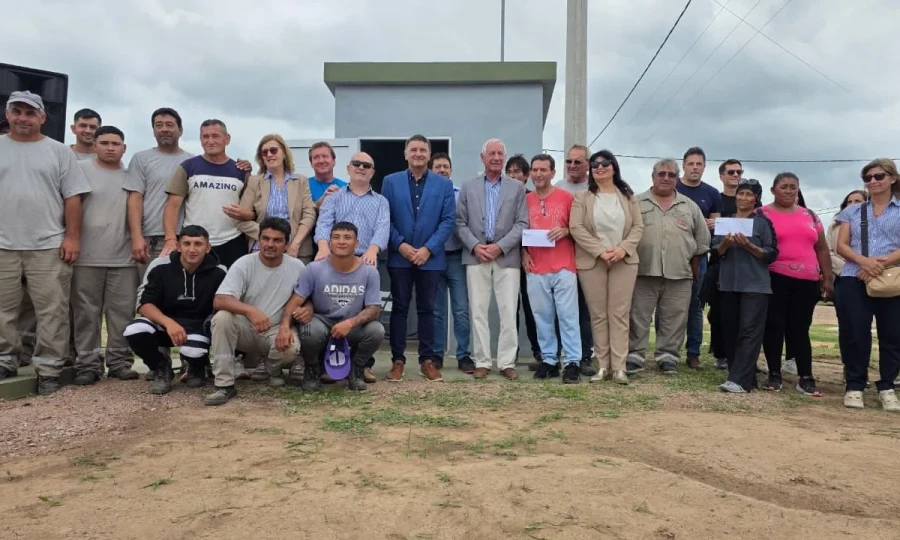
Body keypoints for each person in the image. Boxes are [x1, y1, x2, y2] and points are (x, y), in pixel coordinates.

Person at [0, 91, 91, 394]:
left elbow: (73, 198)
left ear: (42, 117)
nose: (23, 118)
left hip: (49, 244)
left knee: (52, 310)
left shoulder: (58, 152)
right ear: (8, 114)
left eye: (30, 112)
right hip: (3, 245)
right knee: (3, 309)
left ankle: (50, 368)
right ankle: (5, 359)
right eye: (17, 111)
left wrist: (72, 237)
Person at [205, 218, 305, 405]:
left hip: (276, 329)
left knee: (291, 349)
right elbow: (220, 300)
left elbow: (308, 300)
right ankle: (224, 385)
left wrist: (291, 320)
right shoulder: (244, 263)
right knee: (222, 318)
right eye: (265, 238)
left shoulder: (297, 267)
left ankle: (271, 370)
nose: (270, 244)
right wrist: (250, 311)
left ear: (287, 244)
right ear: (258, 239)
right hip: (246, 328)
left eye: (277, 240)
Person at [70, 126, 141, 385]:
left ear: (124, 147)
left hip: (123, 258)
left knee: (122, 314)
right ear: (95, 145)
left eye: (116, 143)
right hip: (86, 256)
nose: (110, 148)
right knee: (86, 314)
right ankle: (87, 365)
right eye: (105, 143)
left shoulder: (131, 177)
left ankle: (120, 362)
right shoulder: (80, 171)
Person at [382, 135, 456, 382]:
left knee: (428, 310)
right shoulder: (390, 182)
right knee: (400, 309)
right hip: (399, 256)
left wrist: (428, 249)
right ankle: (397, 361)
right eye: (413, 149)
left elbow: (447, 221)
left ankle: (428, 360)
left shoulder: (443, 185)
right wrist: (400, 245)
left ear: (429, 154)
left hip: (430, 259)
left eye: (422, 150)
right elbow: (386, 218)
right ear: (405, 154)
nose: (418, 154)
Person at [281, 222, 385, 392]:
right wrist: (284, 326)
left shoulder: (369, 272)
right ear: (329, 242)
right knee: (309, 330)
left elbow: (373, 309)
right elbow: (295, 301)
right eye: (336, 237)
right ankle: (312, 369)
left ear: (357, 243)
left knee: (377, 331)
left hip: (352, 326)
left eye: (347, 237)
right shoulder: (314, 269)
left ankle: (356, 369)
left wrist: (350, 323)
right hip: (323, 322)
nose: (341, 241)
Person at [627, 159, 709, 375]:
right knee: (638, 315)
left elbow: (701, 243)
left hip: (679, 273)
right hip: (642, 271)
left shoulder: (689, 206)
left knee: (675, 317)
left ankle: (668, 356)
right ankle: (635, 355)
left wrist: (694, 271)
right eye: (661, 174)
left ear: (676, 178)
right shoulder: (635, 203)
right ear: (653, 176)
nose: (666, 178)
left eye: (671, 175)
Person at [123, 226, 227, 394]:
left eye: (198, 244)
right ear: (178, 246)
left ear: (208, 248)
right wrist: (168, 323)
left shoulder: (219, 271)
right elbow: (144, 304)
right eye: (187, 244)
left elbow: (222, 305)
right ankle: (161, 368)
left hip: (197, 326)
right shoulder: (160, 266)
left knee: (194, 350)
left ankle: (196, 366)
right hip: (164, 323)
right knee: (134, 330)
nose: (192, 249)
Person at [455, 138, 528, 380]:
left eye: (500, 153)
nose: (496, 157)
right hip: (476, 256)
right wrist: (476, 246)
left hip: (506, 257)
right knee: (478, 311)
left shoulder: (517, 188)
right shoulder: (468, 186)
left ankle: (506, 362)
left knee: (508, 310)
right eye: (491, 153)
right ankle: (483, 361)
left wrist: (500, 246)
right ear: (482, 157)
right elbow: (459, 222)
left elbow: (522, 223)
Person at [570, 151, 643, 385]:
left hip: (624, 261)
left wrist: (622, 249)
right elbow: (576, 228)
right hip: (593, 261)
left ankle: (619, 367)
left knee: (619, 313)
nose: (600, 167)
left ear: (614, 167)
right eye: (595, 165)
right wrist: (601, 251)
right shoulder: (582, 197)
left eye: (605, 163)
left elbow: (638, 227)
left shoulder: (628, 196)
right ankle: (603, 366)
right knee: (598, 315)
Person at [834, 159, 900, 411]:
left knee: (892, 334)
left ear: (892, 178)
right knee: (855, 332)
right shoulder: (853, 211)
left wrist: (879, 265)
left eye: (879, 176)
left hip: (892, 277)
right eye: (868, 177)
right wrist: (864, 262)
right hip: (854, 276)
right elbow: (841, 245)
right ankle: (855, 385)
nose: (873, 181)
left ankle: (887, 386)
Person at [759, 173, 833, 395]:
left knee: (800, 329)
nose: (789, 191)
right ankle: (774, 374)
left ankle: (806, 376)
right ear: (773, 190)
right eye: (784, 187)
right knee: (774, 327)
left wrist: (827, 277)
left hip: (807, 281)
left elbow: (821, 248)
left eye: (793, 187)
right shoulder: (762, 214)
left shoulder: (809, 215)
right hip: (775, 278)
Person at [711, 179, 778, 393]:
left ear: (756, 199)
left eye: (749, 194)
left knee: (749, 331)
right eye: (740, 194)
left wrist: (749, 245)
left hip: (755, 286)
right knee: (730, 330)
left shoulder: (762, 223)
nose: (743, 198)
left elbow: (770, 254)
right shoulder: (726, 221)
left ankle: (740, 381)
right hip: (729, 284)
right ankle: (740, 375)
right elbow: (715, 253)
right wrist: (726, 244)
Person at [521, 154, 582, 383]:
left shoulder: (567, 198)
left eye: (543, 170)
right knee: (542, 316)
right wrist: (523, 253)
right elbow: (520, 230)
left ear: (553, 173)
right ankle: (549, 360)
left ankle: (572, 361)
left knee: (568, 315)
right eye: (534, 170)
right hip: (536, 266)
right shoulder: (525, 200)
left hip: (564, 264)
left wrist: (566, 231)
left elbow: (579, 227)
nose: (538, 174)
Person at [161, 119, 251, 269]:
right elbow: (172, 206)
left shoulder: (241, 171)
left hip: (232, 241)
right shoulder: (188, 167)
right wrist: (170, 238)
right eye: (205, 137)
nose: (210, 141)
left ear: (227, 139)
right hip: (195, 243)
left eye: (215, 136)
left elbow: (251, 209)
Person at [125, 108, 194, 277]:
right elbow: (135, 198)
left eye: (169, 125)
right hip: (151, 239)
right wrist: (137, 237)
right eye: (159, 125)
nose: (164, 129)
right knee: (150, 292)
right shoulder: (141, 159)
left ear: (180, 130)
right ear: (154, 130)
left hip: (186, 239)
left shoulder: (192, 161)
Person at [232, 134, 316, 262]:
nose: (269, 155)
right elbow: (241, 219)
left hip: (296, 250)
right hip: (262, 250)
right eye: (264, 152)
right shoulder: (254, 182)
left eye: (273, 150)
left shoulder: (301, 181)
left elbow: (309, 214)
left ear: (284, 153)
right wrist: (269, 237)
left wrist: (295, 243)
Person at [676, 147, 723, 369]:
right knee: (669, 306)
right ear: (683, 165)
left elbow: (716, 225)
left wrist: (713, 224)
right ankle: (668, 353)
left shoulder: (712, 193)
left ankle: (693, 352)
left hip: (699, 256)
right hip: (673, 254)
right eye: (691, 164)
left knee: (695, 306)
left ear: (704, 167)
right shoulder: (671, 185)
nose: (695, 168)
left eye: (699, 164)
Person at [552, 144, 596, 374]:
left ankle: (585, 356)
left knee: (584, 309)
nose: (572, 166)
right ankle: (560, 355)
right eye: (569, 161)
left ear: (587, 164)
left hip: (588, 258)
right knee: (561, 310)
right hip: (560, 259)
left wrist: (571, 231)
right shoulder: (558, 188)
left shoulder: (595, 188)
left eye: (578, 162)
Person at [430, 153, 474, 373]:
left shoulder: (461, 195)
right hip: (434, 258)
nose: (442, 170)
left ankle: (463, 355)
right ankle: (437, 354)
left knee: (461, 309)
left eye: (446, 166)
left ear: (451, 170)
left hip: (457, 257)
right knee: (437, 311)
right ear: (431, 170)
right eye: (437, 166)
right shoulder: (427, 194)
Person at [505, 154, 542, 367]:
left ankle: (539, 350)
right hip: (508, 259)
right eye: (509, 172)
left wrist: (525, 251)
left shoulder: (532, 198)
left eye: (517, 171)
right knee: (510, 308)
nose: (513, 175)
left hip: (531, 261)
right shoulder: (502, 198)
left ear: (526, 176)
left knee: (532, 307)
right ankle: (512, 352)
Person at [707, 159, 743, 369]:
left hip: (745, 262)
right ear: (721, 176)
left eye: (739, 171)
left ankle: (741, 354)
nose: (735, 175)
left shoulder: (751, 202)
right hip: (720, 260)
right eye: (731, 172)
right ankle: (720, 353)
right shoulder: (716, 200)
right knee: (718, 310)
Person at [307, 142, 348, 208]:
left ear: (334, 161)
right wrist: (323, 200)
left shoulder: (345, 187)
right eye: (316, 157)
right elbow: (299, 213)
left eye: (325, 156)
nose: (321, 161)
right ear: (311, 163)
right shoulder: (303, 186)